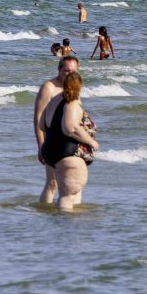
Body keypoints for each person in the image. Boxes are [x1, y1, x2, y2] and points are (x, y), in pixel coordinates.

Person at [39, 71, 99, 212]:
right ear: (80, 86)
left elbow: (42, 125)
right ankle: (65, 230)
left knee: (64, 191)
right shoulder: (71, 102)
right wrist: (91, 142)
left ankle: (51, 219)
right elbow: (70, 128)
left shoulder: (54, 100)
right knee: (66, 195)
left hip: (51, 152)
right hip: (67, 153)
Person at [33, 55, 80, 204]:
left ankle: (72, 214)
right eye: (66, 71)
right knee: (53, 183)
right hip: (53, 143)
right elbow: (38, 118)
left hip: (72, 142)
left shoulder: (73, 88)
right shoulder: (49, 87)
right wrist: (41, 145)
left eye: (74, 71)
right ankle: (45, 212)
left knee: (75, 183)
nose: (70, 74)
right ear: (59, 69)